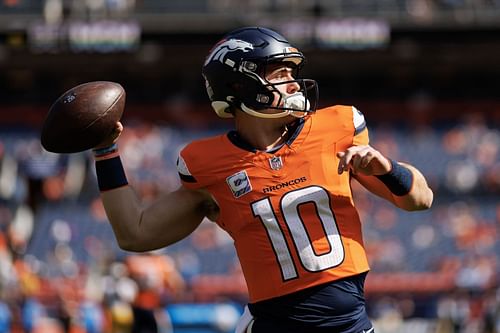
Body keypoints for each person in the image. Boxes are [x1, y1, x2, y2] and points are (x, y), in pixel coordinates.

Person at [92, 27, 433, 333]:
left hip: (349, 326)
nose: (294, 83)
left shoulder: (337, 129)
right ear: (241, 85)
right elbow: (134, 233)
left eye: (293, 73)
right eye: (280, 72)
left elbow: (421, 199)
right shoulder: (210, 164)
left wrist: (387, 168)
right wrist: (106, 151)